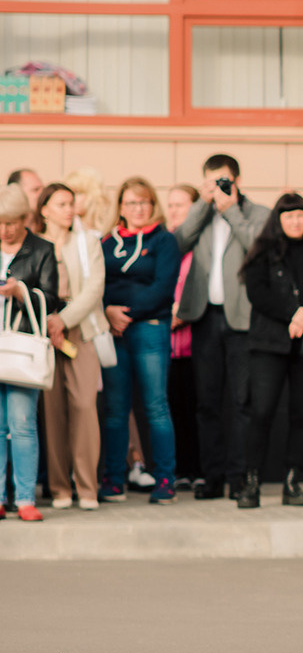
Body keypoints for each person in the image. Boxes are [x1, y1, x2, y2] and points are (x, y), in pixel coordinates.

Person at [173, 154, 270, 501]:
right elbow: (177, 243)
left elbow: (259, 249)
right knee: (207, 402)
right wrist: (203, 204)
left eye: (224, 180)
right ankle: (211, 476)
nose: (219, 187)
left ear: (238, 181)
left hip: (242, 318)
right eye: (212, 181)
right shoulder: (200, 214)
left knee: (242, 402)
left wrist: (231, 211)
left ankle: (239, 477)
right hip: (204, 317)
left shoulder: (257, 214)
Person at [239, 193, 303, 510]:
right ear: (278, 221)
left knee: (301, 415)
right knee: (261, 412)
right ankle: (251, 483)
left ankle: (292, 482)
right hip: (268, 344)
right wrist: (292, 313)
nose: (296, 222)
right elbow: (257, 293)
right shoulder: (263, 252)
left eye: (300, 215)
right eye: (288, 216)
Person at [102, 177, 181, 505]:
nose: (138, 208)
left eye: (144, 202)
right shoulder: (106, 243)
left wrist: (127, 314)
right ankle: (113, 480)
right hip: (113, 331)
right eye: (132, 203)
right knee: (115, 409)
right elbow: (98, 284)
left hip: (149, 328)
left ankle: (165, 480)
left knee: (155, 406)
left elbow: (163, 287)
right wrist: (108, 311)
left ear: (153, 205)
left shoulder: (164, 240)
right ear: (121, 207)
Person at [34, 184, 106, 511]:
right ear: (44, 209)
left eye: (71, 204)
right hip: (44, 332)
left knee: (85, 406)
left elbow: (94, 288)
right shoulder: (35, 243)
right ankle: (60, 488)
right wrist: (49, 321)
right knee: (52, 412)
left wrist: (62, 320)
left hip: (80, 330)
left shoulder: (87, 241)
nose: (69, 210)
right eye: (61, 204)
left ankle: (88, 488)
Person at [0, 185, 58, 521]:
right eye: (0, 223)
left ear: (24, 218)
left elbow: (51, 298)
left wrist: (21, 291)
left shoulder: (42, 249)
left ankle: (24, 498)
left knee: (22, 423)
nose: (5, 230)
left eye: (11, 222)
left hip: (21, 347)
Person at [162, 184, 204, 495]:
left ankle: (199, 469)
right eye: (171, 205)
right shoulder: (166, 244)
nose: (174, 211)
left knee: (197, 408)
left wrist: (184, 312)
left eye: (181, 205)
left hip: (195, 343)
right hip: (167, 345)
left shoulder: (201, 246)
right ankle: (180, 470)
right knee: (173, 409)